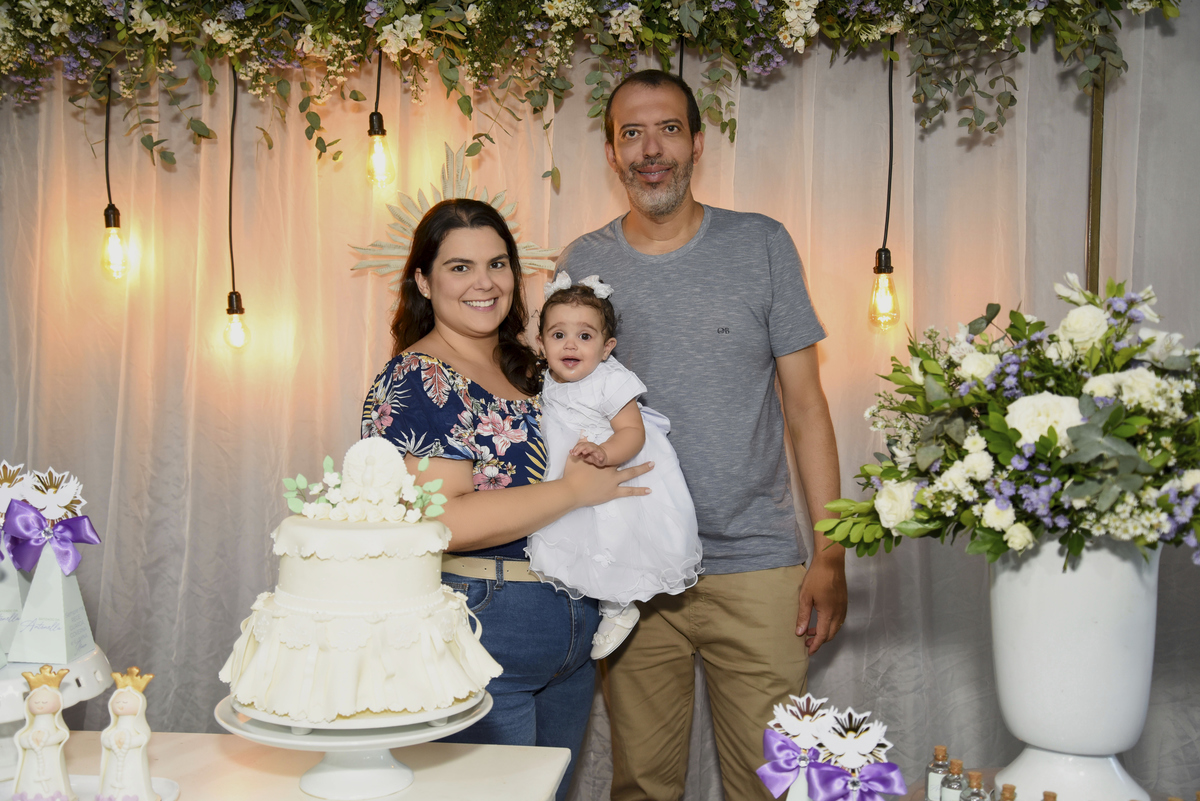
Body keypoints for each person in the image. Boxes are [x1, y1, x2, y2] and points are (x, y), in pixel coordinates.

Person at [555, 69, 849, 800]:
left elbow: (806, 407)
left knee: (776, 786)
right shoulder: (583, 263)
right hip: (635, 572)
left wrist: (830, 551)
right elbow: (561, 413)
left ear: (697, 143)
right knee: (643, 786)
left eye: (668, 129)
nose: (651, 149)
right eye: (632, 133)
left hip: (756, 564)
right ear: (611, 152)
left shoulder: (761, 244)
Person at [359, 197, 652, 801]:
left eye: (497, 264)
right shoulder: (418, 378)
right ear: (423, 280)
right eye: (459, 267)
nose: (484, 282)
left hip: (571, 623)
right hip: (486, 626)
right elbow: (441, 520)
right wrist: (572, 491)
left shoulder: (531, 367)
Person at [527, 275, 703, 659]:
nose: (570, 344)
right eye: (558, 335)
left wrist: (605, 453)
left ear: (607, 348)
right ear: (540, 343)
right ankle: (587, 603)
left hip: (612, 465)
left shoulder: (610, 380)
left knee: (614, 535)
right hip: (570, 471)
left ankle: (618, 606)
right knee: (570, 537)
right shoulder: (546, 380)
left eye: (584, 336)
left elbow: (632, 431)